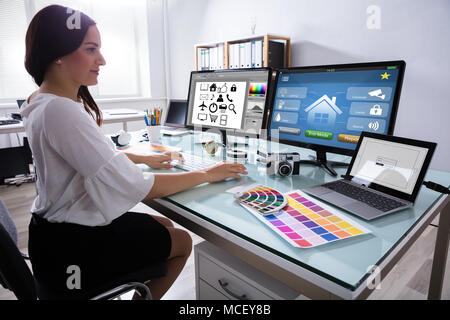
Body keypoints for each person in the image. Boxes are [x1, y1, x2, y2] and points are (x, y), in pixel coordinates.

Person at [21, 5, 247, 300]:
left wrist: (141, 158)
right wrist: (207, 173)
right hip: (72, 246)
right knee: (181, 240)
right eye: (91, 49)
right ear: (58, 54)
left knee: (164, 224)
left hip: (49, 235)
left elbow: (87, 157)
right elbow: (137, 187)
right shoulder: (63, 111)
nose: (101, 59)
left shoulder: (41, 100)